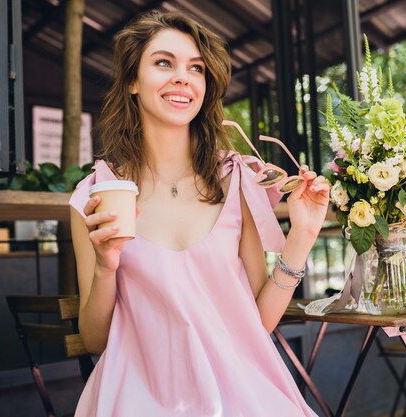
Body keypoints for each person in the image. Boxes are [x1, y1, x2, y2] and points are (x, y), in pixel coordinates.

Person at [69, 10, 330, 417]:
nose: (182, 77)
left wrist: (303, 236)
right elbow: (95, 341)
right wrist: (106, 266)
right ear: (133, 82)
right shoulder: (96, 195)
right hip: (139, 397)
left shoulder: (236, 182)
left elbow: (256, 323)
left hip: (241, 393)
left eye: (196, 68)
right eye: (163, 63)